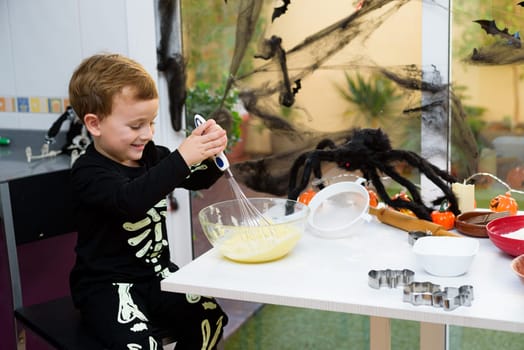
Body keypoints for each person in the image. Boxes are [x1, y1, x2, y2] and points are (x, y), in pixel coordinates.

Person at [68, 53, 229, 349]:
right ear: (95, 124)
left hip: (157, 276)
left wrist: (210, 153)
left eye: (151, 123)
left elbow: (197, 179)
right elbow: (128, 200)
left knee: (210, 318)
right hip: (107, 286)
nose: (147, 134)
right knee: (143, 346)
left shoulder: (151, 155)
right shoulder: (88, 172)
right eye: (135, 125)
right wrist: (182, 158)